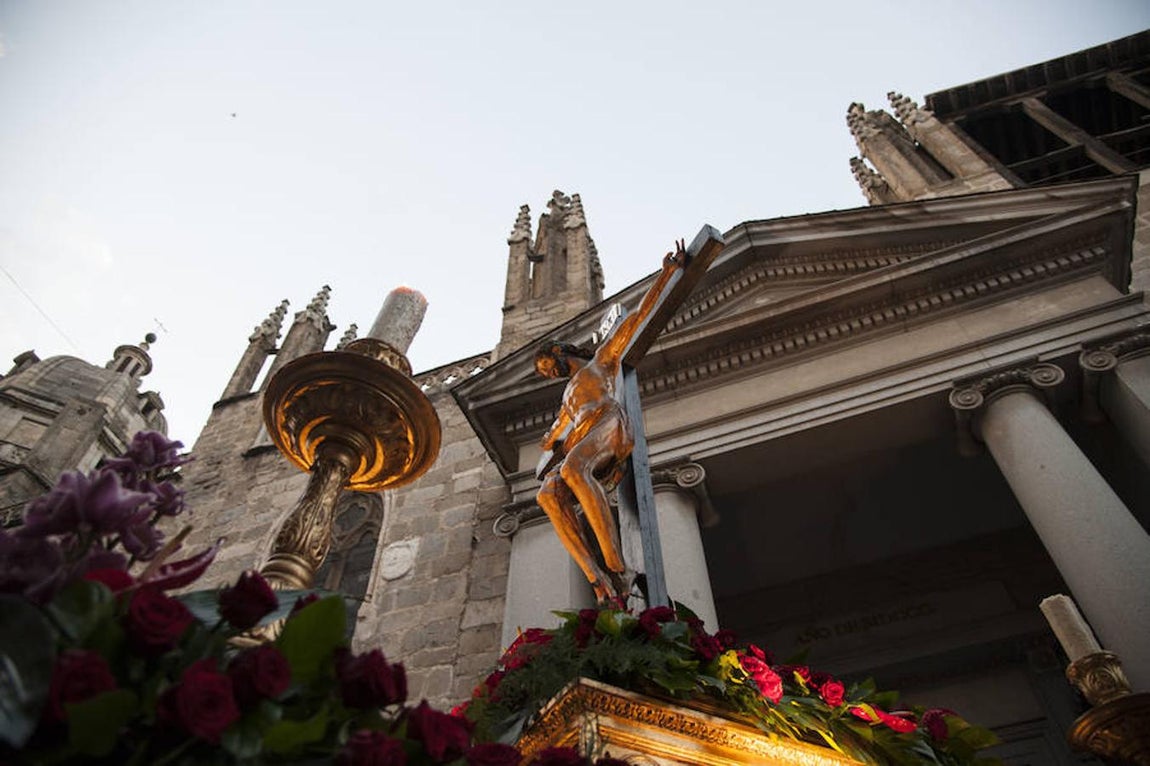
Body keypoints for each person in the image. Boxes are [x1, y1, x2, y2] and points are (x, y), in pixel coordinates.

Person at [535, 240, 689, 601]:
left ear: (560, 351)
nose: (548, 373)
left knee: (574, 471)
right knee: (548, 494)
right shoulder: (567, 396)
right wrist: (551, 439)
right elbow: (555, 435)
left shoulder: (599, 363)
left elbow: (635, 321)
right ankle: (597, 576)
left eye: (547, 366)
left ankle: (616, 563)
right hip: (582, 436)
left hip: (608, 421)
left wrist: (669, 273)